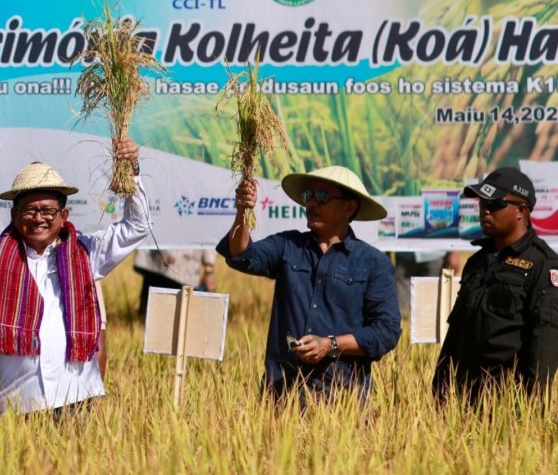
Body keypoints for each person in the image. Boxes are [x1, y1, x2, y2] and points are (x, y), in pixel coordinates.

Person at [0, 136, 150, 416]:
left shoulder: (86, 253)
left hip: (76, 398)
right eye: (30, 210)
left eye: (48, 210)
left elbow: (137, 226)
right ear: (14, 214)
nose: (39, 218)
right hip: (16, 403)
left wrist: (130, 170)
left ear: (63, 216)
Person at [217, 166, 401, 405]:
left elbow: (386, 332)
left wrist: (330, 345)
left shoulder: (374, 263)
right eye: (308, 197)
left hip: (343, 399)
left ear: (349, 207)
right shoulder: (287, 245)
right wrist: (242, 211)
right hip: (282, 393)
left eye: (322, 197)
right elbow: (241, 255)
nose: (312, 204)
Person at [432, 167, 558, 403]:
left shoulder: (543, 263)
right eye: (482, 203)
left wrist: (530, 409)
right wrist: (439, 391)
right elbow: (457, 331)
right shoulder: (477, 262)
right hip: (461, 400)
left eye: (496, 204)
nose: (485, 210)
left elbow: (544, 343)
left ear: (521, 211)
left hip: (506, 403)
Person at [134, 248, 216, 319]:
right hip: (155, 262)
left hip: (184, 269)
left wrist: (209, 269)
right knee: (149, 315)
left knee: (175, 318)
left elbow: (207, 235)